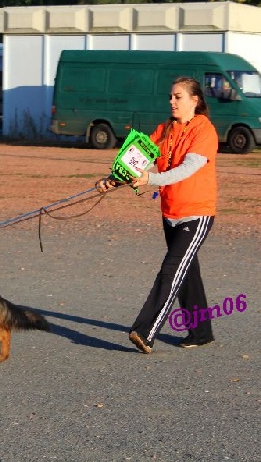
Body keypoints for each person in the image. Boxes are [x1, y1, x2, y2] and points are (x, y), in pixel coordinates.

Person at [96, 76, 218, 352]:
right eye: (171, 96)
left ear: (194, 101)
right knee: (186, 272)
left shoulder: (204, 131)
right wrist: (113, 179)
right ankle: (201, 332)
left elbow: (187, 169)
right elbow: (140, 161)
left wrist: (149, 181)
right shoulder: (164, 129)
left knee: (171, 269)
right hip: (170, 212)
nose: (171, 101)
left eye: (178, 97)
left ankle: (145, 331)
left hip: (197, 213)